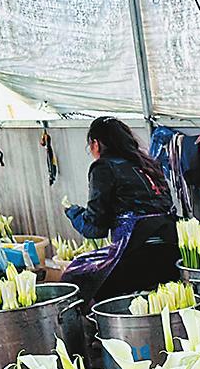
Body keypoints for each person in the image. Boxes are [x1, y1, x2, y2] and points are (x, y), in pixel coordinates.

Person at [61, 116, 179, 303]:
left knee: (77, 277)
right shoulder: (148, 164)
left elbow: (95, 228)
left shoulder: (103, 167)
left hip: (138, 253)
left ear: (96, 144)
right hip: (173, 249)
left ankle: (100, 329)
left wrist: (74, 213)